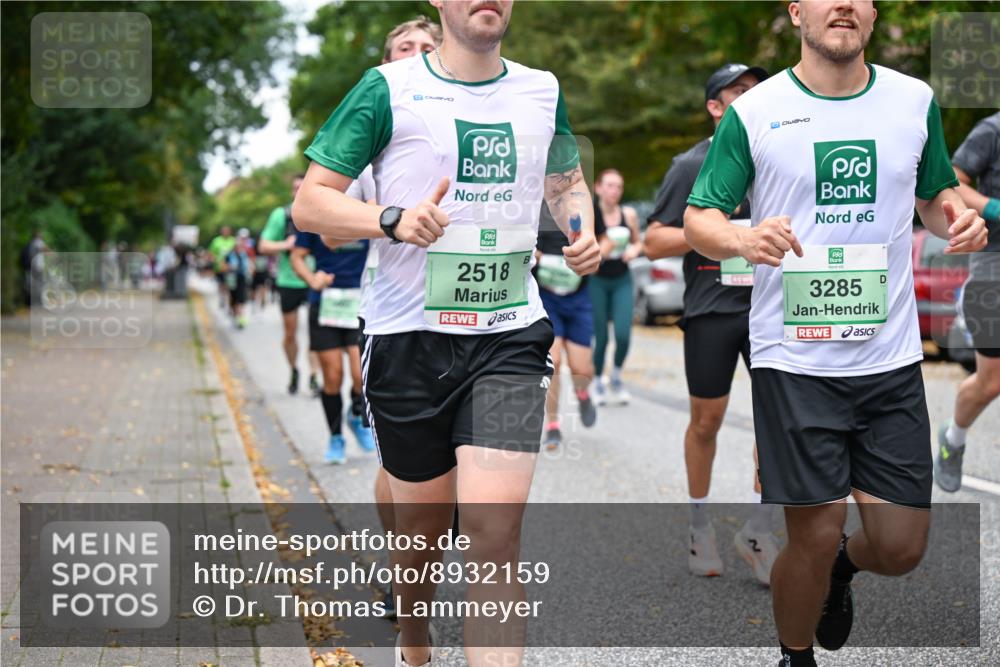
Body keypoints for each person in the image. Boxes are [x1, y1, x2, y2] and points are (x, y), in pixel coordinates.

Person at [291, 1, 601, 664]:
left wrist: (582, 228)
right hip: (407, 338)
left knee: (493, 534)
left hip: (510, 334)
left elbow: (567, 179)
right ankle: (413, 634)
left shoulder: (541, 89)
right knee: (422, 534)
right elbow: (311, 203)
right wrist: (393, 218)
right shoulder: (386, 88)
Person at [683, 2, 988, 665]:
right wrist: (741, 233)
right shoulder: (755, 110)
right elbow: (700, 216)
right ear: (797, 11)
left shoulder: (913, 101)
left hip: (889, 358)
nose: (843, 5)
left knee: (903, 547)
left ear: (874, 13)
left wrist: (956, 220)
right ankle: (796, 654)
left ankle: (843, 570)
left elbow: (937, 199)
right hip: (795, 361)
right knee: (813, 533)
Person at [320, 15, 443, 621]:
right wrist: (388, 217)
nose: (417, 54)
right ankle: (405, 572)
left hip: (481, 320)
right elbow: (324, 217)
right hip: (396, 316)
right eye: (405, 47)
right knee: (400, 468)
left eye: (427, 46)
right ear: (387, 58)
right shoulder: (374, 133)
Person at [645, 63, 778, 584]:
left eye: (757, 92)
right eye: (738, 93)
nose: (750, 98)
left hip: (769, 306)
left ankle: (759, 529)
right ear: (715, 107)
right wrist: (720, 232)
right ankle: (700, 526)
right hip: (711, 308)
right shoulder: (691, 164)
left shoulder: (773, 158)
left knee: (777, 420)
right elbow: (654, 240)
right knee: (707, 421)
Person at [936, 111, 1000, 492]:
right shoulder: (991, 131)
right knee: (990, 383)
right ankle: (953, 439)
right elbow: (953, 182)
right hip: (994, 274)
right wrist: (992, 208)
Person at [290, 226, 376, 465]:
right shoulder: (319, 210)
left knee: (361, 375)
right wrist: (311, 278)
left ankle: (356, 413)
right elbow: (296, 256)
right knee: (333, 376)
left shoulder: (365, 205)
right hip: (325, 302)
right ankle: (336, 437)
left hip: (360, 301)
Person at [535, 203, 598, 449]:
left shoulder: (584, 208)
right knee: (555, 362)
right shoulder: (534, 208)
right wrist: (543, 258)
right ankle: (553, 426)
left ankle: (582, 394)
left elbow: (596, 248)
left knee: (581, 368)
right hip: (548, 298)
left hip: (578, 298)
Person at [258, 176, 322, 396]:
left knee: (316, 332)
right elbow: (263, 245)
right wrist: (286, 244)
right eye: (295, 188)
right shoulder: (282, 215)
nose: (299, 192)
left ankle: (314, 375)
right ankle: (294, 369)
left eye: (303, 187)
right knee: (290, 333)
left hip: (314, 279)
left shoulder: (320, 212)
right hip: (288, 281)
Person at [590, 169, 641, 405]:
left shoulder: (628, 214)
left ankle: (617, 376)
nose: (614, 191)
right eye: (610, 185)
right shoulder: (590, 214)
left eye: (619, 187)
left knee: (622, 333)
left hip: (621, 278)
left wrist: (633, 250)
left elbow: (638, 242)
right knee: (600, 337)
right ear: (598, 188)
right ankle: (598, 380)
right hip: (597, 280)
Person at [225, 230, 253, 329]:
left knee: (241, 298)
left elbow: (248, 265)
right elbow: (224, 266)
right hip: (232, 278)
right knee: (233, 298)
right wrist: (230, 267)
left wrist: (250, 270)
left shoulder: (243, 254)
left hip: (242, 278)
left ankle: (240, 317)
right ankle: (234, 314)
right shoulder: (229, 255)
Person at [207, 226, 236, 311]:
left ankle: (228, 300)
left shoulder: (233, 241)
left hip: (230, 268)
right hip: (219, 267)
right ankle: (222, 298)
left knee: (229, 285)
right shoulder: (216, 241)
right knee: (221, 284)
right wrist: (215, 260)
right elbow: (210, 253)